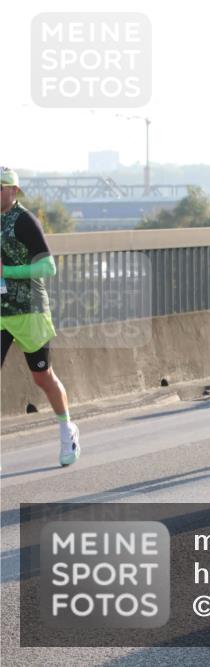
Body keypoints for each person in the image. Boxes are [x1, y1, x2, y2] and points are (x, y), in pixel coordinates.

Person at [0, 167, 81, 467]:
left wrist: (8, 272)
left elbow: (48, 268)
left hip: (29, 312)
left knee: (42, 377)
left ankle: (67, 430)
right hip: (1, 312)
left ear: (14, 191)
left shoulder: (25, 221)